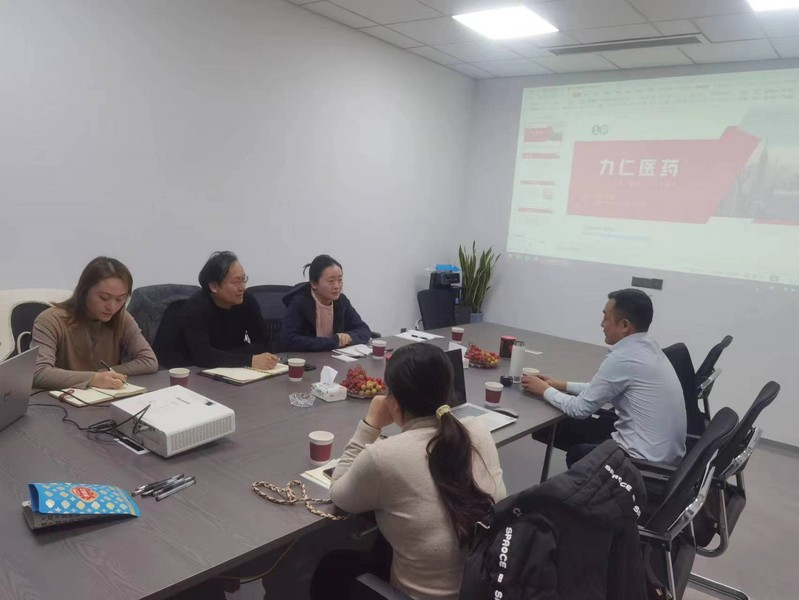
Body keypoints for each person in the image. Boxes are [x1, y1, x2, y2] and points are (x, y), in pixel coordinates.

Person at [324, 343, 506, 600]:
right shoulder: (477, 430)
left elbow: (339, 493)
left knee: (330, 568)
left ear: (394, 402)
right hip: (486, 587)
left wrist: (370, 424)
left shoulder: (384, 456)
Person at [522, 288, 686, 468]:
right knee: (563, 427)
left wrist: (544, 390)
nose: (602, 324)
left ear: (625, 325)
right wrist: (560, 385)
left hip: (641, 462)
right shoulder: (648, 349)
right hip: (665, 456)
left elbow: (579, 409)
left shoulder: (624, 358)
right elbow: (602, 389)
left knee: (577, 452)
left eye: (606, 318)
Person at [31, 257, 157, 390]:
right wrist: (93, 378)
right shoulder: (50, 320)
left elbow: (149, 361)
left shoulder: (121, 318)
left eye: (120, 299)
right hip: (61, 398)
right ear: (84, 292)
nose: (112, 307)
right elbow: (38, 372)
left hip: (106, 396)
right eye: (104, 298)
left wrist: (104, 375)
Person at [181, 251, 278, 369]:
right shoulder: (196, 307)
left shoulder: (247, 300)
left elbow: (264, 344)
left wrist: (228, 356)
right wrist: (249, 359)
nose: (242, 287)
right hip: (199, 372)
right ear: (214, 286)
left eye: (243, 279)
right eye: (236, 282)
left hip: (237, 370)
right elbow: (203, 356)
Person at [280, 255, 371, 352]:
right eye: (331, 281)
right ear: (314, 284)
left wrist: (349, 336)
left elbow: (364, 329)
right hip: (307, 358)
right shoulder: (299, 303)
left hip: (333, 356)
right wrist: (335, 341)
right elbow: (289, 340)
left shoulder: (341, 301)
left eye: (340, 280)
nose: (337, 286)